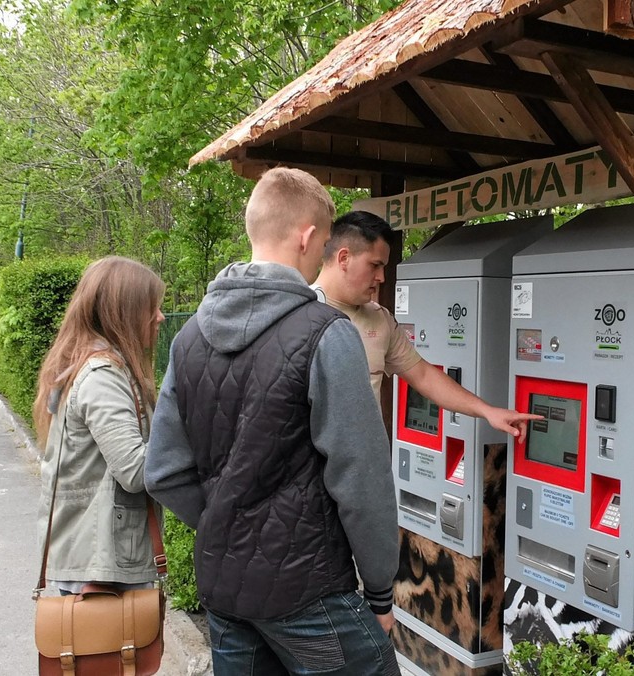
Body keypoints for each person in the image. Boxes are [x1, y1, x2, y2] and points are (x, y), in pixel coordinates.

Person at [144, 168, 400, 676]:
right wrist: (380, 590)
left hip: (225, 587)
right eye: (326, 240)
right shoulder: (328, 333)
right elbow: (361, 477)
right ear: (308, 236)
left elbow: (163, 471)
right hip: (308, 593)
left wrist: (230, 523)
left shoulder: (188, 338)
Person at [313, 210, 538, 440]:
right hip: (312, 470)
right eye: (375, 265)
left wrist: (488, 411)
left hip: (365, 468)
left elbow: (423, 375)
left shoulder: (380, 319)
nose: (381, 277)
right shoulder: (298, 314)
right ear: (344, 258)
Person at [33, 256, 167, 596]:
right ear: (123, 312)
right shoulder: (103, 376)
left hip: (95, 560)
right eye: (152, 307)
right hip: (103, 572)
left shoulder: (87, 366)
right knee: (112, 649)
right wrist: (186, 428)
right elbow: (136, 471)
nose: (160, 317)